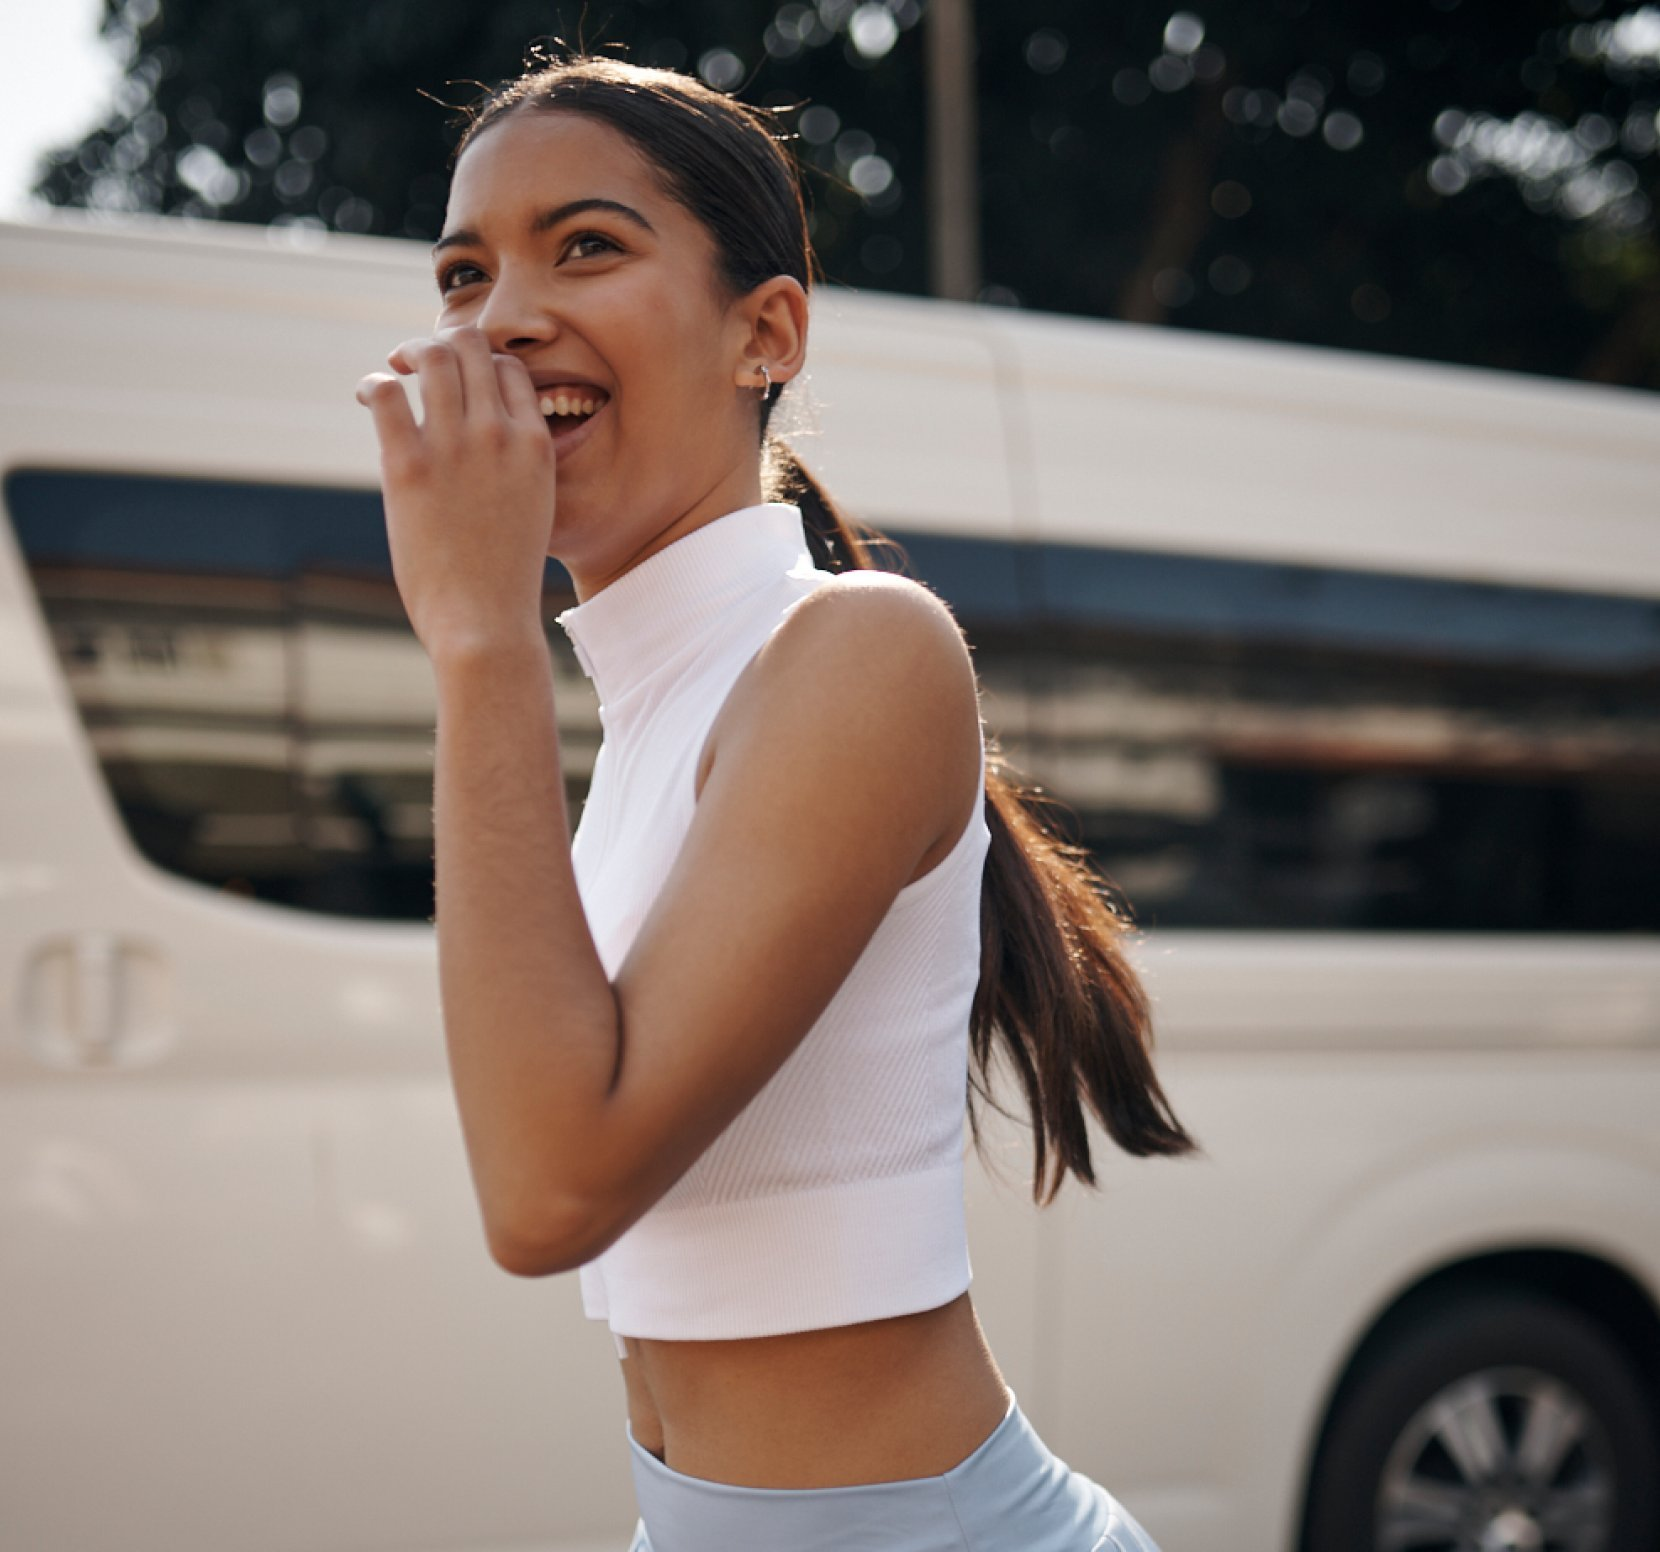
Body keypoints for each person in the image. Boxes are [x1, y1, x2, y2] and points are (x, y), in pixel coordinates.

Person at [354, 45, 1199, 1552]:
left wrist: (480, 639)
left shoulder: (860, 651)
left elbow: (549, 1194)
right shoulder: (650, 712)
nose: (502, 318)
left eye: (587, 246)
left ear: (767, 333)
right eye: (462, 274)